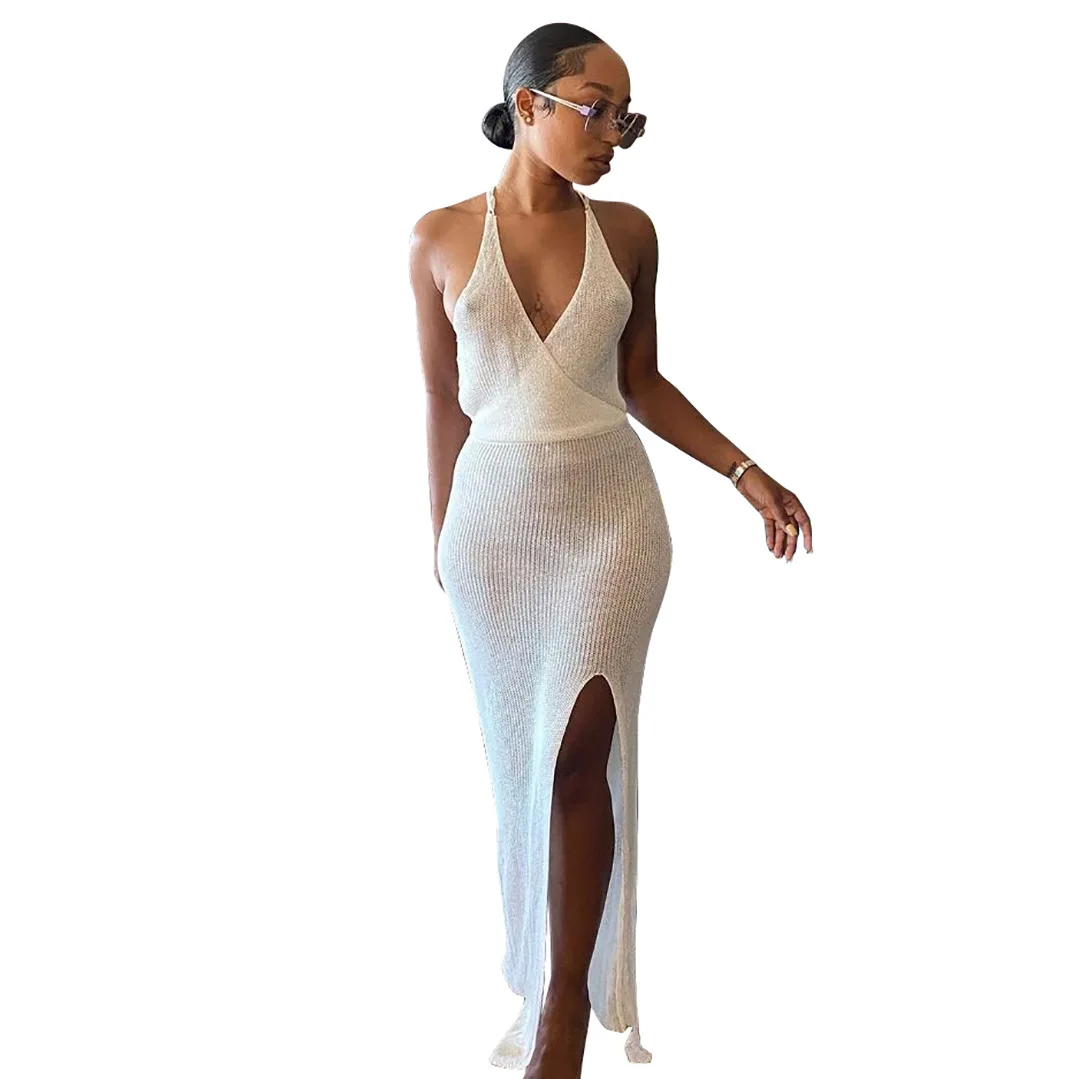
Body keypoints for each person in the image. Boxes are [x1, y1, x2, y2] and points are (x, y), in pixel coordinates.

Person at [408, 21, 813, 1078]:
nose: (613, 136)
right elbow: (442, 399)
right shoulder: (437, 238)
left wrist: (744, 473)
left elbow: (640, 381)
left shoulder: (628, 233)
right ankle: (540, 982)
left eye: (626, 119)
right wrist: (441, 533)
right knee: (524, 769)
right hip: (495, 535)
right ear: (528, 104)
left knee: (579, 748)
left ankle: (562, 1024)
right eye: (596, 109)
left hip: (609, 520)